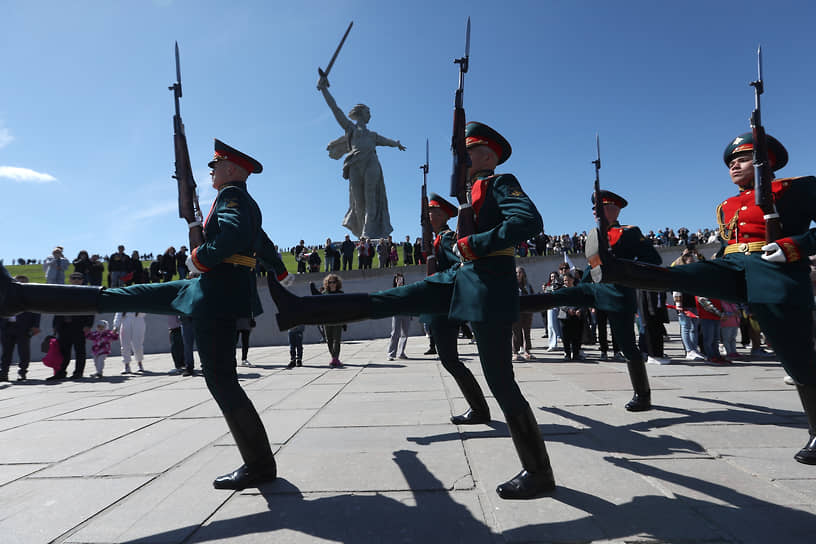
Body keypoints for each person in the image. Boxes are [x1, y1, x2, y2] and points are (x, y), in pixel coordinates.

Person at [269, 122, 555, 500]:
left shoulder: (500, 183)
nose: (462, 158)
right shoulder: (471, 192)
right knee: (391, 300)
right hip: (460, 280)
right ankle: (303, 308)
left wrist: (476, 243)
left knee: (501, 382)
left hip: (488, 285)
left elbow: (529, 221)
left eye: (468, 152)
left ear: (488, 155)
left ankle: (539, 472)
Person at [0, 139, 288, 489]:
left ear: (230, 169)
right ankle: (19, 296)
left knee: (221, 380)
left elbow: (239, 233)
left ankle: (259, 464)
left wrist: (200, 257)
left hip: (215, 295)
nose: (211, 172)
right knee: (123, 296)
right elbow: (260, 239)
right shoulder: (237, 198)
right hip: (209, 290)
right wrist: (279, 270)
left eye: (215, 167)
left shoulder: (233, 197)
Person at [586, 131, 816, 465]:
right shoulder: (727, 205)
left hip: (774, 271)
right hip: (732, 264)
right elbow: (729, 245)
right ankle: (615, 269)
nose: (733, 165)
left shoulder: (798, 187)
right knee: (681, 276)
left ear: (768, 161)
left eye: (742, 158)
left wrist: (795, 245)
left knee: (795, 357)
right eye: (730, 162)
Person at [519, 190, 662, 412]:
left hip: (617, 293)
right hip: (593, 288)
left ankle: (642, 395)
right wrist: (579, 282)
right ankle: (515, 304)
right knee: (557, 297)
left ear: (615, 210)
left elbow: (653, 260)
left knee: (627, 346)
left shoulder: (629, 233)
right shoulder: (594, 234)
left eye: (601, 206)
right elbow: (592, 265)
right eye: (594, 207)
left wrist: (617, 265)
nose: (595, 210)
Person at [422, 192, 491, 425]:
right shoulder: (435, 240)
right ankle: (479, 408)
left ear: (440, 215)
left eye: (430, 212)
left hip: (446, 305)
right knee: (450, 360)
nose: (426, 216)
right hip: (440, 305)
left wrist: (441, 282)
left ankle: (479, 409)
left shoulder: (446, 238)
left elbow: (461, 261)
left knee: (451, 360)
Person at [318, 74, 405, 239]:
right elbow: (335, 109)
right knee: (359, 202)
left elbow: (386, 141)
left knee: (371, 197)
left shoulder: (372, 135)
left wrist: (397, 144)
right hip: (355, 164)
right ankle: (363, 231)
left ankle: (368, 232)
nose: (370, 115)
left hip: (371, 163)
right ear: (360, 113)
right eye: (368, 112)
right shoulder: (350, 128)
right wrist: (324, 89)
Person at [50, 272, 94, 380]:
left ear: (82, 280)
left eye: (79, 278)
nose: (76, 280)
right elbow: (57, 309)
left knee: (79, 351)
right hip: (64, 326)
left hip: (79, 326)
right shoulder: (63, 292)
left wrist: (88, 325)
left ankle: (78, 372)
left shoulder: (87, 293)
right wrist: (55, 325)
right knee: (63, 351)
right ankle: (60, 372)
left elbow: (91, 309)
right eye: (73, 278)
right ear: (69, 280)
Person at [0, 275, 40, 382]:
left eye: (23, 282)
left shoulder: (30, 296)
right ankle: (3, 373)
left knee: (23, 352)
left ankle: (22, 373)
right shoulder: (5, 295)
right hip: (7, 327)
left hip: (23, 328)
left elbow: (36, 311)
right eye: (18, 282)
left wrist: (36, 326)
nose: (21, 284)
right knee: (6, 353)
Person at [557, 271, 585, 361]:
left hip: (576, 316)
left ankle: (576, 354)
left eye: (568, 280)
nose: (566, 282)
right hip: (565, 317)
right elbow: (560, 303)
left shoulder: (578, 290)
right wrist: (568, 310)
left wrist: (579, 310)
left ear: (572, 280)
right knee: (566, 337)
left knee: (576, 336)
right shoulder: (561, 290)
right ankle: (567, 354)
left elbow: (583, 302)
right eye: (565, 280)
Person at [512, 266, 535, 361]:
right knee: (516, 333)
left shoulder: (528, 286)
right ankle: (515, 352)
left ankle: (527, 351)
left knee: (527, 333)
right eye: (517, 272)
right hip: (516, 312)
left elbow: (533, 297)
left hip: (527, 312)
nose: (518, 274)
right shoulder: (512, 285)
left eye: (520, 272)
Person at [387, 273, 411, 360]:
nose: (400, 280)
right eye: (398, 279)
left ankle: (401, 353)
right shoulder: (393, 290)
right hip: (397, 313)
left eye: (401, 279)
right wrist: (398, 287)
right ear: (395, 280)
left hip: (406, 313)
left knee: (405, 334)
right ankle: (391, 354)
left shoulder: (407, 289)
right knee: (395, 333)